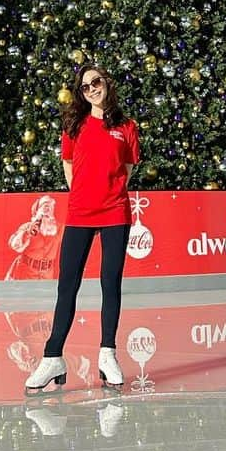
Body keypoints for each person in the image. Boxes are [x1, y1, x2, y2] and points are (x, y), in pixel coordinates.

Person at [26, 64, 140, 394]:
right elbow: (68, 165)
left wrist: (108, 193)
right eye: (85, 86)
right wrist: (84, 195)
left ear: (107, 83)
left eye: (96, 82)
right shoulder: (74, 126)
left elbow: (128, 169)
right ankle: (52, 358)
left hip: (115, 213)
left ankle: (108, 354)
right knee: (67, 287)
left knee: (110, 284)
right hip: (79, 214)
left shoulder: (126, 127)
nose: (91, 88)